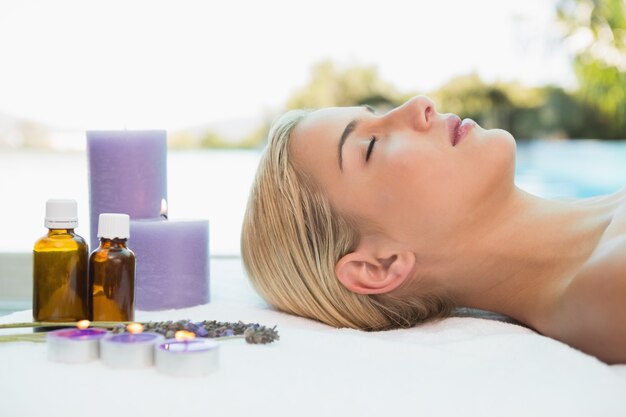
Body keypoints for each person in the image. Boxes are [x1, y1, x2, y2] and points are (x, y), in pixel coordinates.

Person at [241, 96, 626, 364]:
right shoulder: (606, 288)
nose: (419, 104)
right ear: (380, 265)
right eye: (371, 145)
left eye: (380, 112)